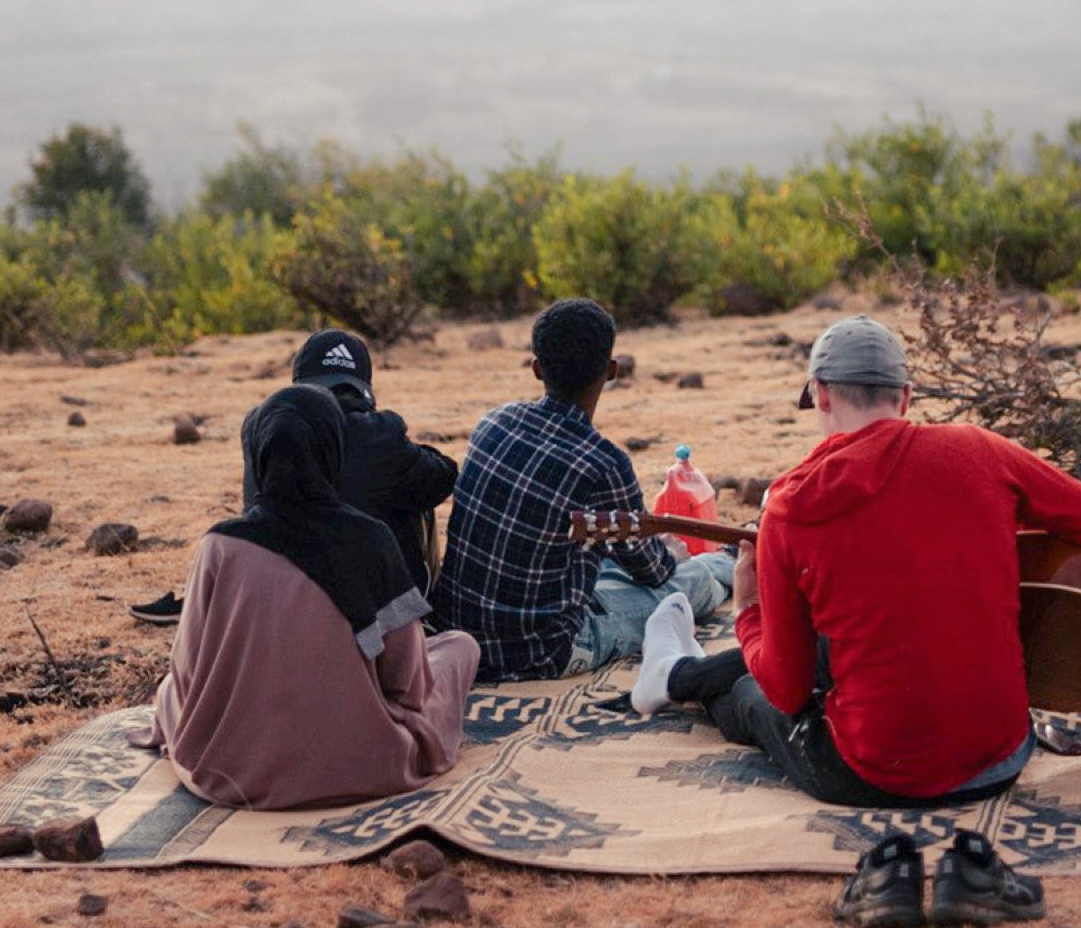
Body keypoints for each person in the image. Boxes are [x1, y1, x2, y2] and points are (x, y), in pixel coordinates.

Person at [631, 315, 1081, 813]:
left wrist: (749, 606)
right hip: (1001, 759)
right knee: (837, 640)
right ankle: (675, 670)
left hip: (874, 773)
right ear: (906, 397)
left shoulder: (791, 504)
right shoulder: (979, 449)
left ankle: (672, 679)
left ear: (821, 395)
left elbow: (786, 691)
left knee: (750, 696)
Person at [134, 385, 479, 809]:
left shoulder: (219, 546)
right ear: (334, 448)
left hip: (229, 770)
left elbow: (188, 670)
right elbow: (406, 682)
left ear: (258, 453)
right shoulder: (371, 541)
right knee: (460, 648)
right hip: (366, 763)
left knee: (170, 689)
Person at [429, 298, 734, 682]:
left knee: (601, 557)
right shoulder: (604, 463)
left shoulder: (493, 423)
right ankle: (731, 561)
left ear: (537, 368)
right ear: (611, 371)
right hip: (541, 650)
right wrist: (670, 553)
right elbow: (653, 571)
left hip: (458, 634)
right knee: (682, 587)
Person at [129, 329, 456, 624]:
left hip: (270, 591)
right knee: (414, 489)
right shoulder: (380, 443)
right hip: (369, 603)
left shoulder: (258, 427)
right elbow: (442, 476)